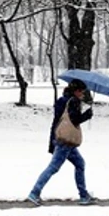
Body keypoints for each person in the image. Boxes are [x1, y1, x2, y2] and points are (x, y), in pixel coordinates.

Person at [27, 78, 95, 206]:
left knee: (80, 164)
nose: (82, 94)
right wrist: (87, 115)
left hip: (60, 138)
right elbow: (74, 120)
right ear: (76, 91)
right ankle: (34, 192)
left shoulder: (62, 100)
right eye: (81, 91)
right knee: (53, 168)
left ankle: (83, 195)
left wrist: (52, 141)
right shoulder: (73, 102)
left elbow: (57, 121)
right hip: (66, 141)